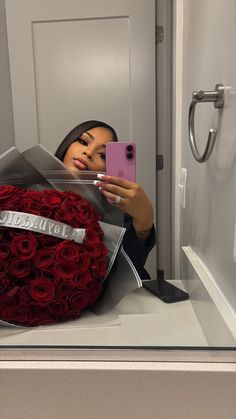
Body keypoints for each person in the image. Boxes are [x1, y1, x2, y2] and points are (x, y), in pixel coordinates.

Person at [55, 120, 156, 279]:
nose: (88, 152)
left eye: (102, 155)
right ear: (67, 144)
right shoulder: (27, 194)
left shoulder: (118, 211)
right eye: (83, 141)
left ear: (107, 170)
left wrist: (145, 221)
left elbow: (124, 274)